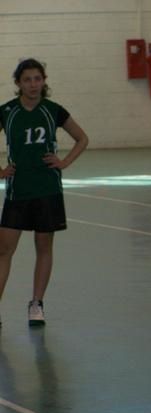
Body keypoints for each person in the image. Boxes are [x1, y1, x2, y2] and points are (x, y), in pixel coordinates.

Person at [0, 58, 88, 327]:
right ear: (18, 83)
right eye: (27, 79)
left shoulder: (53, 110)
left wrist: (64, 163)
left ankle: (36, 303)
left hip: (47, 190)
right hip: (18, 191)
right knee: (4, 250)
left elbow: (82, 138)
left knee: (44, 246)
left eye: (38, 79)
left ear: (44, 81)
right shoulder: (7, 111)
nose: (33, 84)